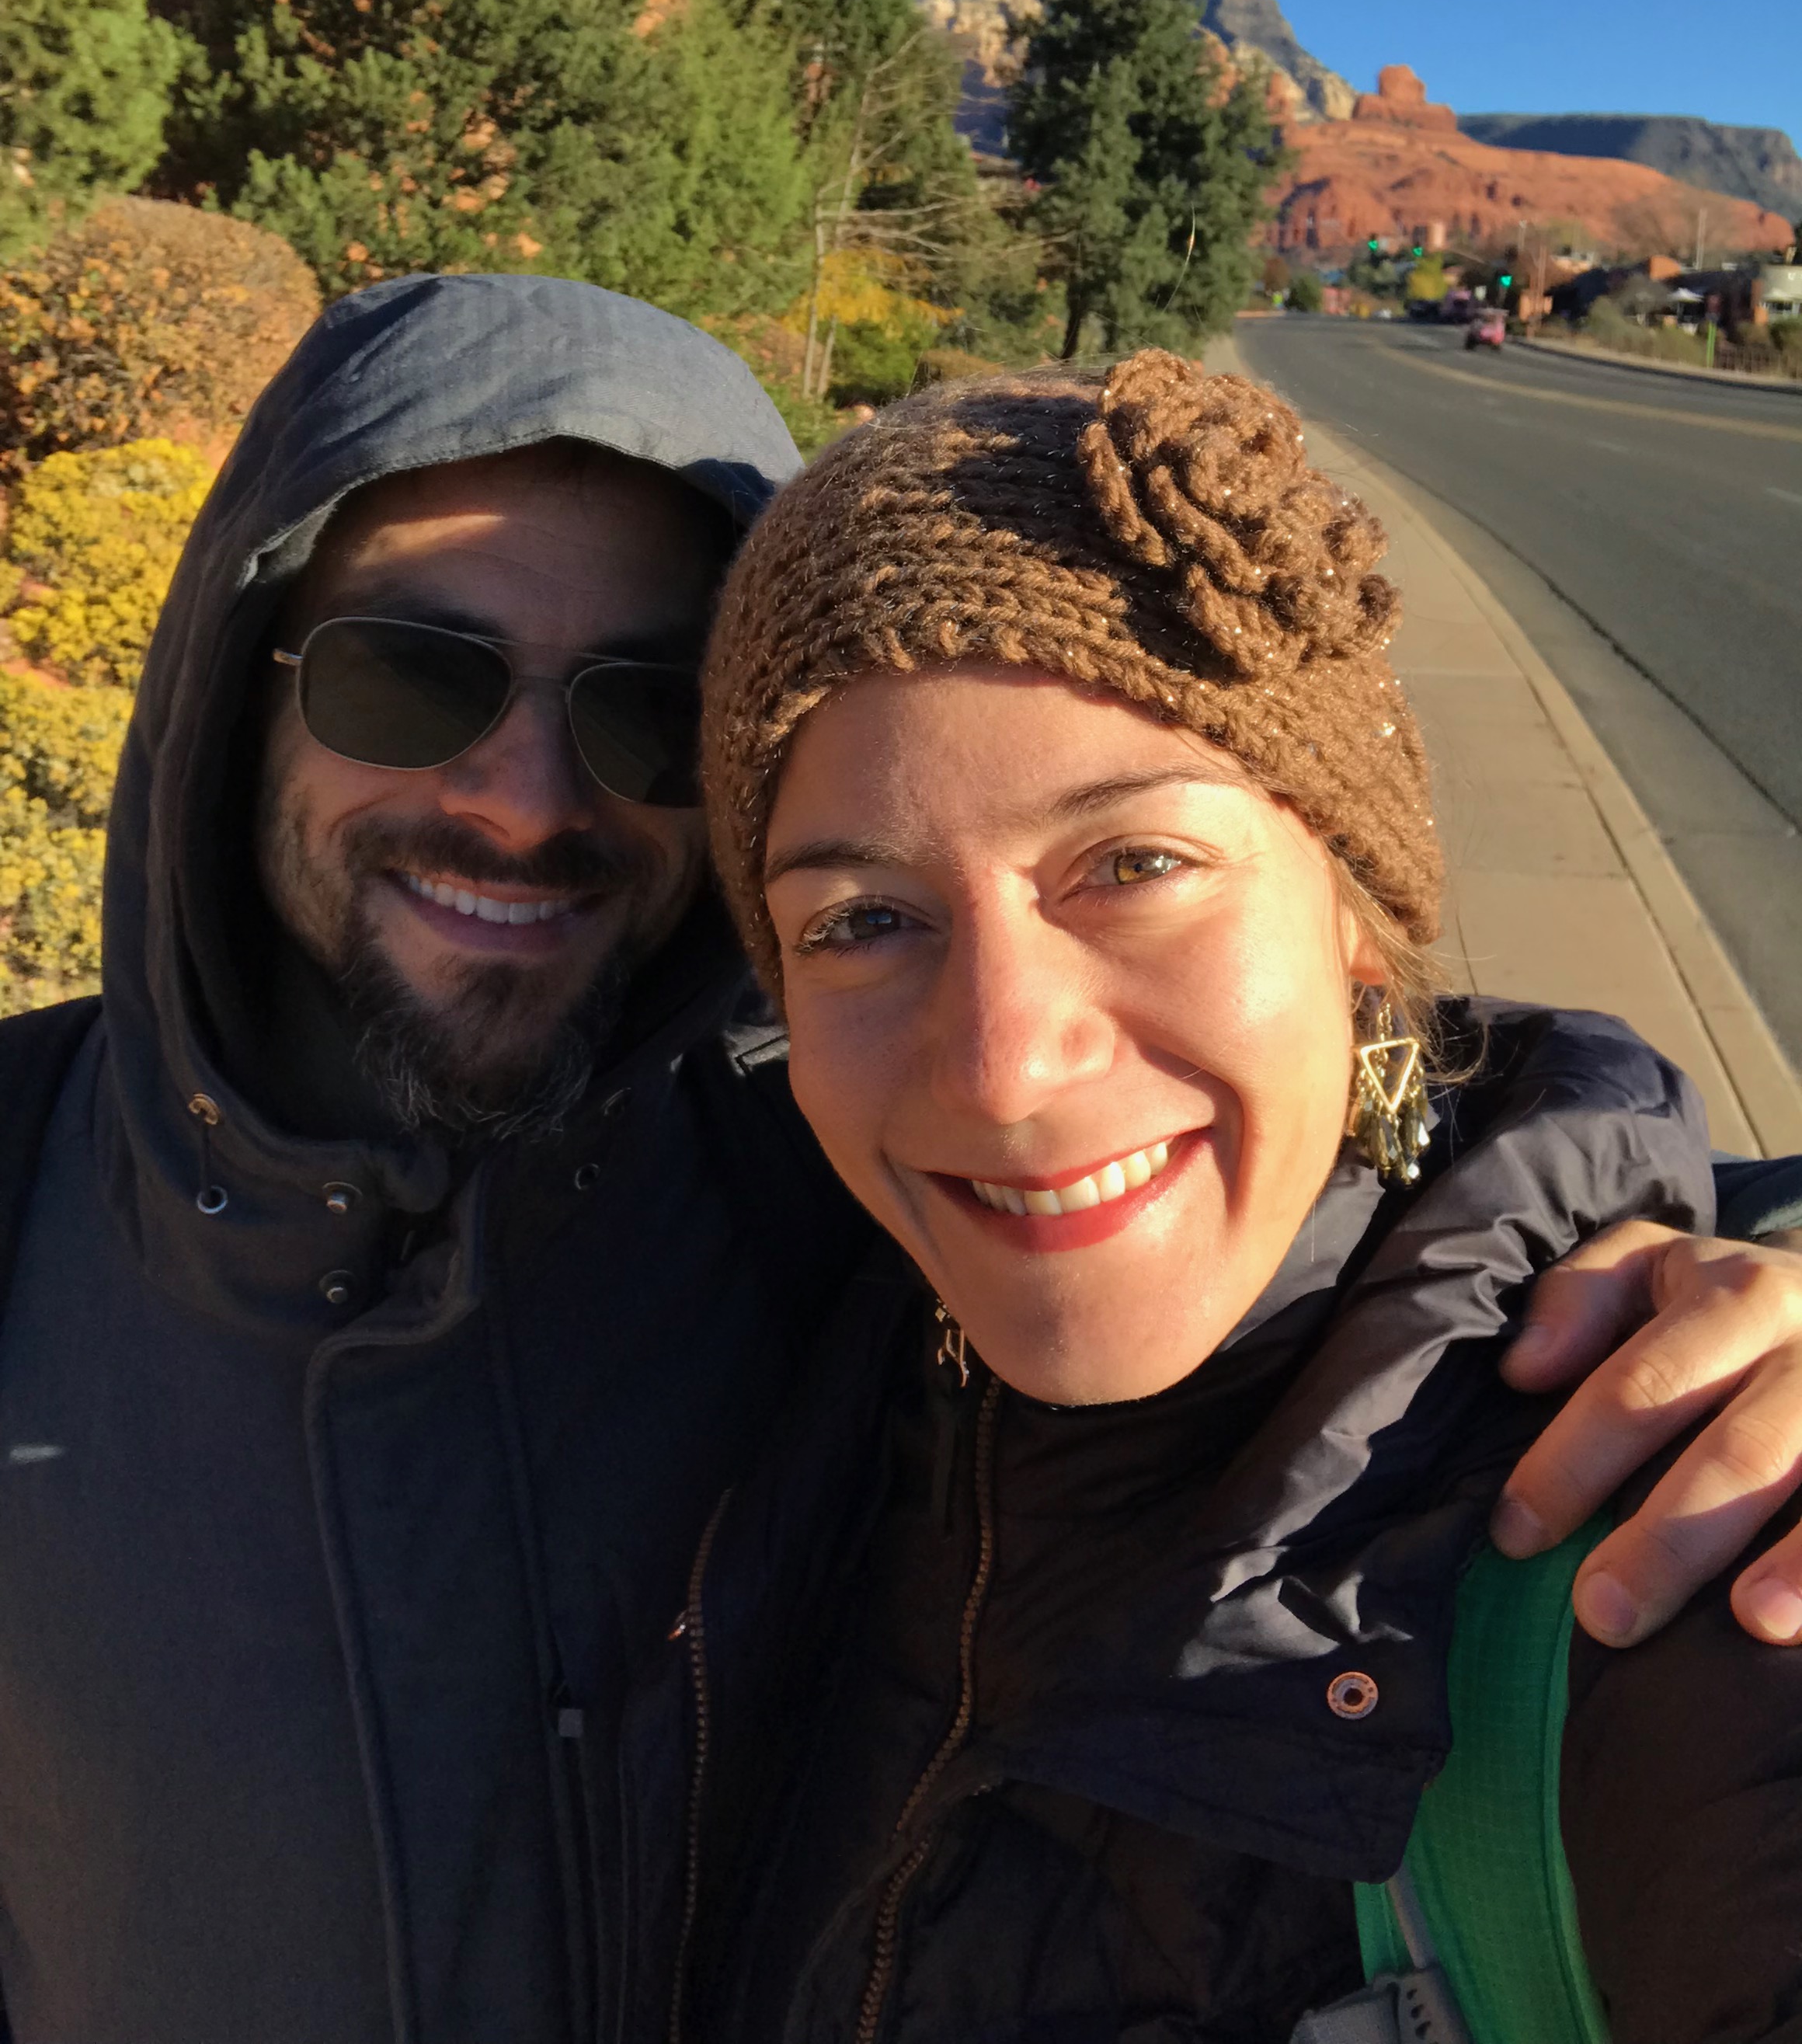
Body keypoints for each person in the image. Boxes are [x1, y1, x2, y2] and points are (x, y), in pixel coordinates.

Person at [0, 282, 1792, 2044]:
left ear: (1352, 895)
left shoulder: (828, 1232)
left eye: (642, 710)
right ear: (234, 686)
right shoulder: (904, 1295)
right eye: (411, 670)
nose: (528, 799)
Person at [636, 350, 1802, 2044]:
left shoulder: (1690, 1571)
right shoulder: (795, 1405)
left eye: (1131, 864)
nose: (1000, 1064)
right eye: (860, 918)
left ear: (1351, 905)